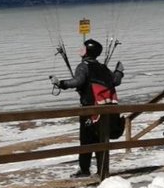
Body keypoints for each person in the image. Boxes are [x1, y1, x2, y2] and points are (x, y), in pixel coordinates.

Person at [52, 39, 124, 177]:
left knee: (86, 141)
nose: (81, 50)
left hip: (88, 111)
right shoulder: (103, 67)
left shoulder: (83, 66)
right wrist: (119, 71)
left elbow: (77, 81)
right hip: (104, 110)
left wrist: (60, 83)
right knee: (100, 140)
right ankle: (101, 170)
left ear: (87, 51)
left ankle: (84, 170)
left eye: (83, 48)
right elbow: (115, 81)